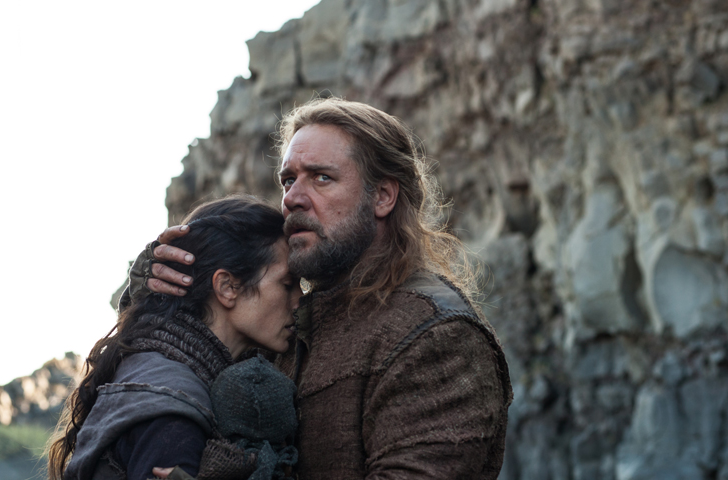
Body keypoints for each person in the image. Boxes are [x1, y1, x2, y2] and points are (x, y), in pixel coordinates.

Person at [127, 98, 513, 479]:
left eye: (321, 178)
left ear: (382, 196)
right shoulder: (291, 318)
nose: (292, 198)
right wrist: (158, 286)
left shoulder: (435, 336)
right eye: (288, 180)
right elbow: (180, 366)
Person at [48, 196, 302, 480]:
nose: (300, 301)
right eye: (288, 284)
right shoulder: (174, 409)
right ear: (227, 287)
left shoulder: (156, 365)